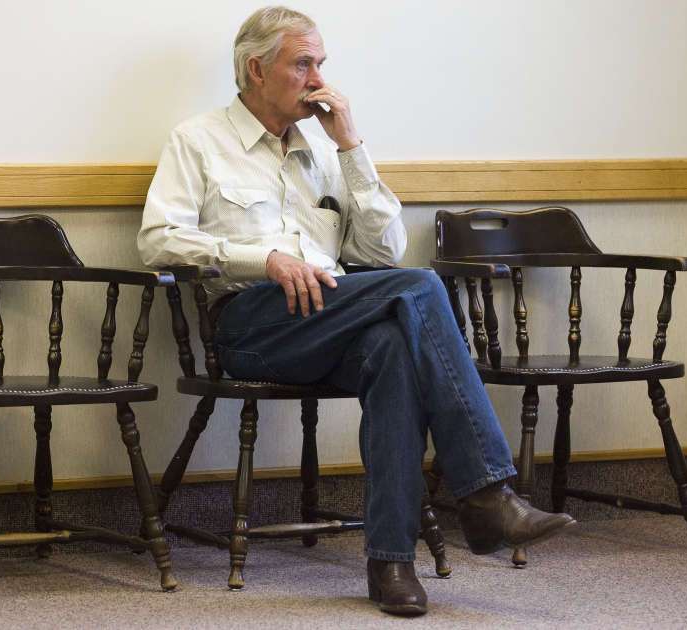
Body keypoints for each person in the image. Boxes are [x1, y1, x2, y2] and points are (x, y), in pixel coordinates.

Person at [138, 6, 575, 617]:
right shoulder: (199, 140)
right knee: (418, 288)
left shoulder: (322, 151)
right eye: (303, 63)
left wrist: (350, 147)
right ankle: (486, 495)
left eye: (320, 63)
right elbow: (158, 239)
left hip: (331, 315)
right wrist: (260, 258)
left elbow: (382, 251)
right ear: (256, 69)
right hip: (249, 323)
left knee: (394, 351)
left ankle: (390, 562)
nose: (318, 79)